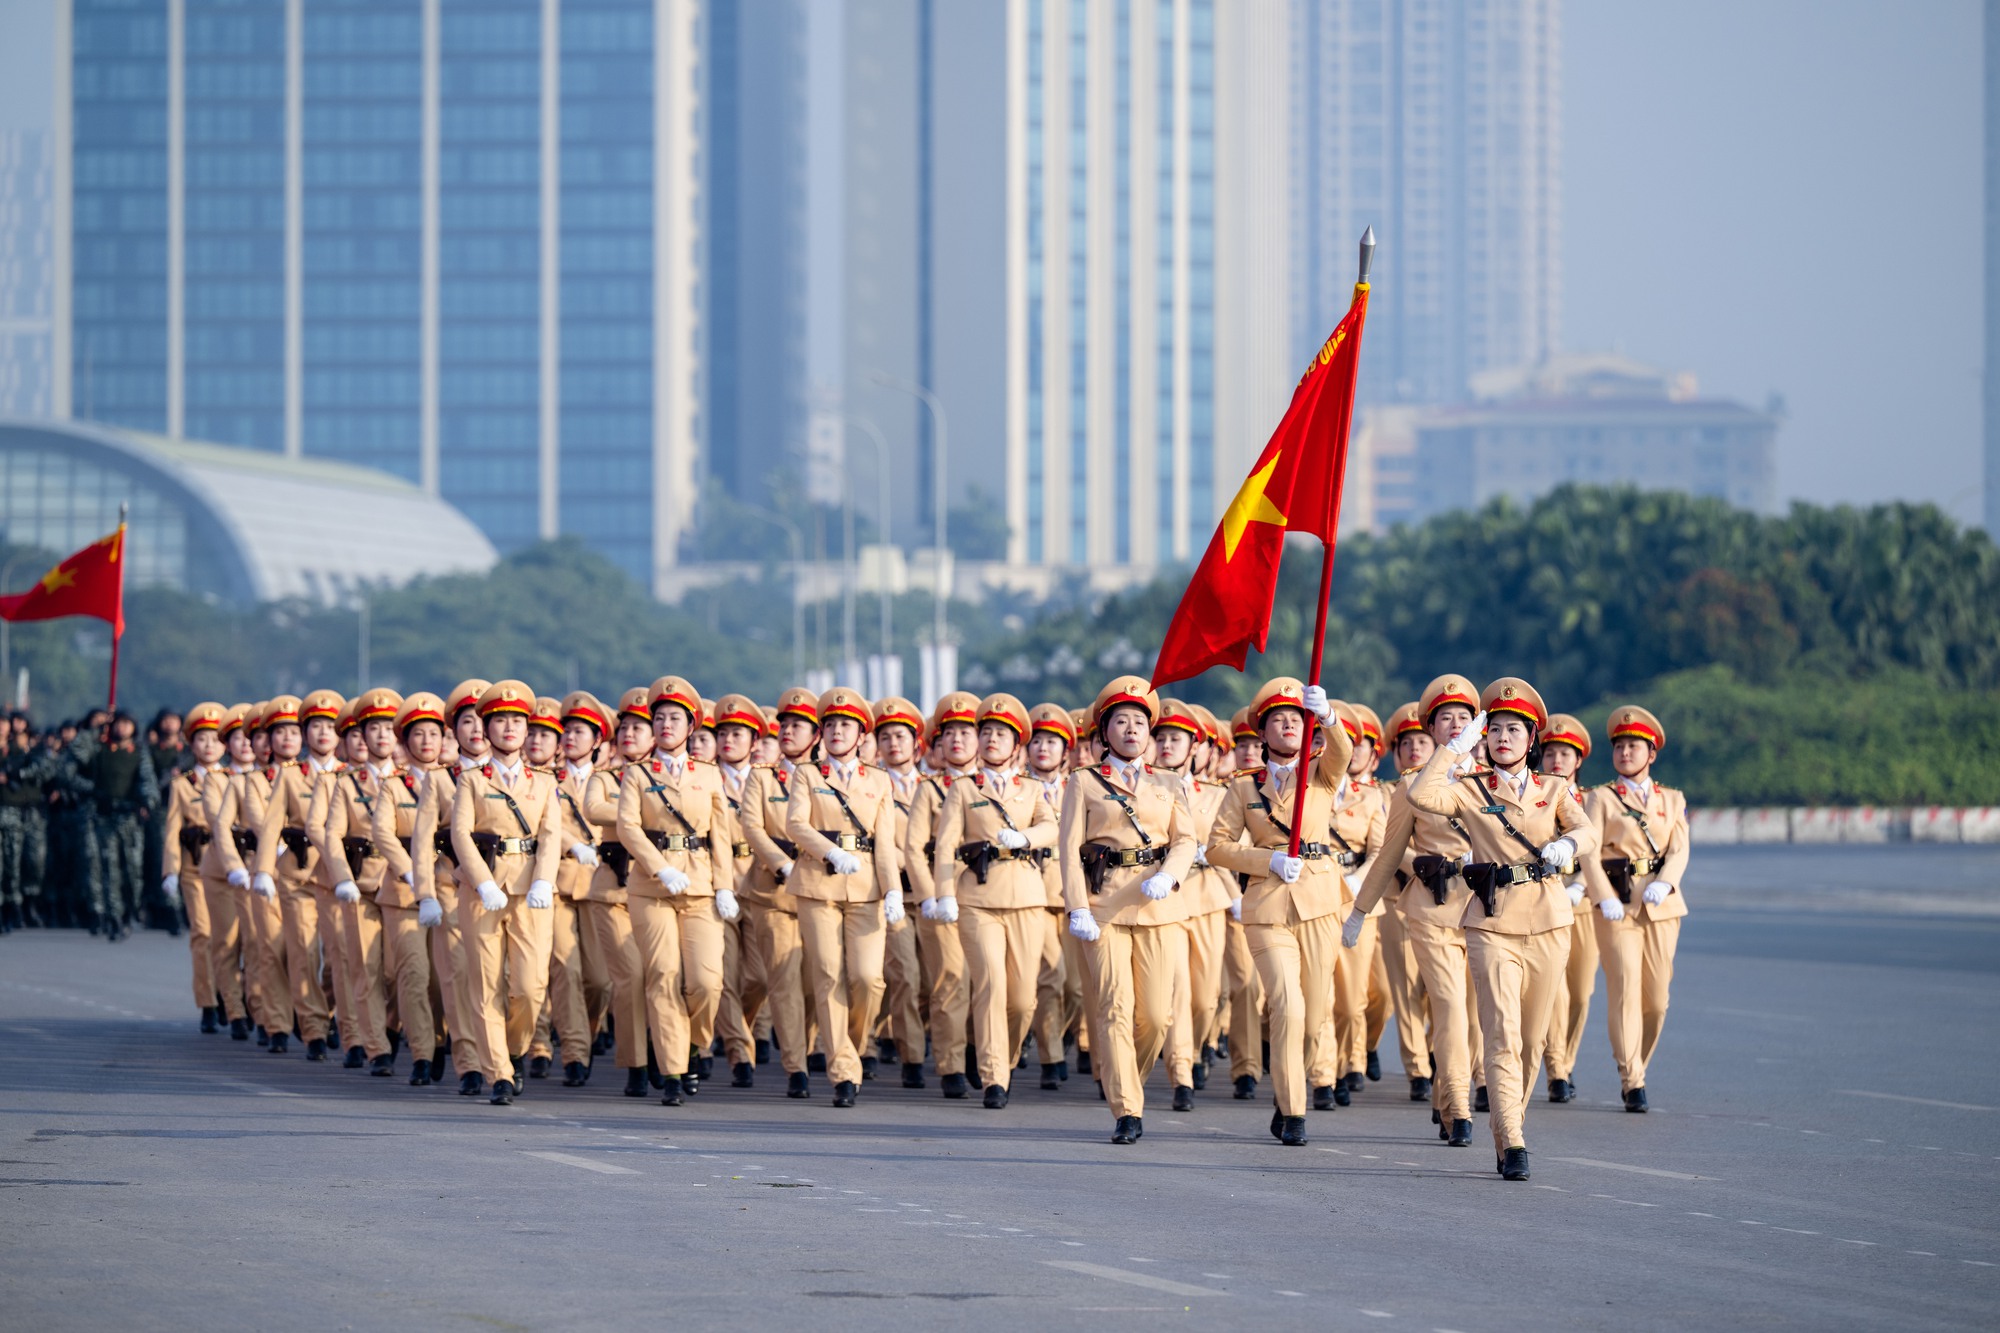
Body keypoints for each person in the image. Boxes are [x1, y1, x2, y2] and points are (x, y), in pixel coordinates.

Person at [1385, 677, 1594, 1181]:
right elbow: (1423, 793)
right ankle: (1513, 1138)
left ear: (1532, 740)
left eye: (1515, 729)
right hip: (1492, 922)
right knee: (1501, 1033)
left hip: (1547, 920)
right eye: (1495, 728)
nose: (1504, 737)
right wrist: (1451, 749)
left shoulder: (1555, 788)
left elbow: (1586, 830)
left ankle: (1511, 1120)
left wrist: (1570, 846)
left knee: (1534, 1038)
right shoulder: (1470, 790)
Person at [1207, 678, 1355, 1147]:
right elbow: (1218, 847)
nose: (1288, 724)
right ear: (1263, 732)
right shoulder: (1243, 787)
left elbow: (1344, 753)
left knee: (1313, 1017)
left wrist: (1328, 717)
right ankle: (1293, 1109)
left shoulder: (1321, 772)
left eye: (1296, 718)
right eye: (1278, 719)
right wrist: (1265, 859)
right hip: (1269, 904)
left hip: (1318, 901)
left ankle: (1288, 1082)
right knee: (1286, 1007)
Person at [1058, 676, 1198, 1145]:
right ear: (1104, 733)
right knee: (1115, 1006)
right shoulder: (1084, 782)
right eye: (1122, 721)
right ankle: (1127, 1109)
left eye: (1140, 721)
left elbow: (1186, 840)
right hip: (1104, 907)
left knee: (1156, 1015)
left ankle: (1125, 1078)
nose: (1132, 729)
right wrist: (1077, 906)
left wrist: (1170, 874)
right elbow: (1068, 849)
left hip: (1157, 904)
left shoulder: (1170, 782)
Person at [1352, 675, 1486, 1146]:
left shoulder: (1492, 779)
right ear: (1431, 729)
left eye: (1463, 718)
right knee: (1448, 1007)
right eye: (1444, 719)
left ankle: (1445, 1095)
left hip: (1486, 908)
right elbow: (1389, 854)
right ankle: (1462, 1110)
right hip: (1432, 906)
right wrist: (1360, 909)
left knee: (1473, 1014)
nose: (1454, 726)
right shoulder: (1411, 785)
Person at [928, 692, 1054, 1109]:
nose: (991, 739)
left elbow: (1052, 827)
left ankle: (1009, 1056)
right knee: (990, 986)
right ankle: (993, 1076)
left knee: (1021, 999)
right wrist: (944, 894)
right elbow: (945, 844)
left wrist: (1026, 838)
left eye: (1001, 733)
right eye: (986, 732)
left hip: (1026, 895)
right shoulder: (964, 789)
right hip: (977, 897)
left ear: (1017, 745)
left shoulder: (1033, 789)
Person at [616, 675, 734, 1106]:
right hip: (652, 887)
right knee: (663, 974)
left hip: (701, 885)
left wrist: (725, 886)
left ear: (691, 727)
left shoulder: (708, 775)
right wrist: (660, 868)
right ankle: (671, 1071)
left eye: (675, 718)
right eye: (659, 717)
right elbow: (627, 826)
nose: (666, 725)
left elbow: (721, 833)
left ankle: (692, 1044)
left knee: (706, 981)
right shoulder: (637, 774)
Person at [786, 685, 903, 1108]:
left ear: (861, 735)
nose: (837, 731)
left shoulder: (878, 779)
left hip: (867, 886)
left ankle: (852, 1044)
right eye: (831, 724)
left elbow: (886, 842)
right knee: (828, 973)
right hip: (819, 882)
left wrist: (893, 890)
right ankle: (842, 1069)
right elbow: (795, 823)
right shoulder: (807, 774)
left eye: (846, 725)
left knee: (868, 979)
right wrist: (830, 850)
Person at [451, 680, 564, 1106]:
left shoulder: (543, 780)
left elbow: (551, 834)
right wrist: (480, 880)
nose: (510, 728)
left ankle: (513, 1049)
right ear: (487, 728)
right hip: (484, 890)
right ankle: (498, 1071)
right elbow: (459, 833)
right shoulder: (471, 780)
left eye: (518, 721)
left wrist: (543, 880)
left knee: (530, 987)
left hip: (529, 888)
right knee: (484, 984)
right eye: (500, 720)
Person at [1580, 705, 1689, 1114]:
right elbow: (1588, 851)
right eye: (1620, 746)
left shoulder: (1672, 800)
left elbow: (1679, 849)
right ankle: (1632, 1078)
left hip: (1662, 905)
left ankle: (1638, 1061)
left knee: (1657, 999)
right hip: (1617, 905)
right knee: (1624, 988)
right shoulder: (1601, 799)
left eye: (1634, 746)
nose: (1625, 752)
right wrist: (1602, 894)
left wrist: (1665, 882)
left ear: (1652, 754)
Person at [1153, 698, 1231, 1111]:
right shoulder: (1143, 788)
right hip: (1162, 899)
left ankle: (1197, 1048)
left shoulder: (1217, 795)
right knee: (1177, 990)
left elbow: (1231, 842)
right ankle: (1180, 1071)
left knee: (1205, 997)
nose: (1167, 745)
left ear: (1196, 747)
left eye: (1176, 738)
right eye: (1160, 737)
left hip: (1206, 896)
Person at [740, 688, 819, 1096]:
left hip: (821, 893)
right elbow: (752, 826)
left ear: (816, 735)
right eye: (784, 725)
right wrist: (781, 862)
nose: (787, 731)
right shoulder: (763, 776)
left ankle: (808, 1045)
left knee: (814, 980)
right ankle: (796, 1066)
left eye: (798, 726)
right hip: (773, 891)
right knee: (783, 981)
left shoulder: (829, 778)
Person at [320, 690, 403, 1074]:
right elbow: (331, 832)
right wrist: (341, 877)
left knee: (400, 969)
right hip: (361, 882)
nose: (382, 735)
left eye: (388, 727)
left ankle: (392, 1026)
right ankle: (373, 1046)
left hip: (401, 883)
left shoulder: (413, 782)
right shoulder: (346, 783)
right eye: (374, 728)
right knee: (364, 967)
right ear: (362, 736)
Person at [1309, 703, 1387, 1111]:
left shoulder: (1371, 797)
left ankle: (1343, 1064)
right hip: (1315, 896)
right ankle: (1323, 1076)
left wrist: (1360, 882)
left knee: (1351, 1000)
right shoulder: (1303, 789)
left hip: (1357, 902)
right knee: (1319, 995)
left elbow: (1379, 851)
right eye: (1318, 740)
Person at [903, 690, 981, 1099]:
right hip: (941, 896)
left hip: (985, 893)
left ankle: (975, 1049)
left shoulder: (991, 786)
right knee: (951, 979)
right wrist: (929, 894)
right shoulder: (929, 790)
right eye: (948, 733)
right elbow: (914, 847)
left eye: (966, 732)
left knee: (987, 980)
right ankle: (950, 1062)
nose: (957, 740)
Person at [580, 687, 657, 1098]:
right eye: (624, 727)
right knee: (629, 978)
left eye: (639, 727)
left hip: (661, 892)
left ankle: (669, 1053)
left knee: (665, 976)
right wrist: (644, 812)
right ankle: (636, 1062)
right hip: (612, 890)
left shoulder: (674, 779)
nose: (629, 734)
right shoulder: (604, 778)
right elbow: (593, 809)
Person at [371, 691, 450, 1086]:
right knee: (413, 975)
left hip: (449, 890)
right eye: (417, 734)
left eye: (433, 733)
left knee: (442, 977)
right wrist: (409, 873)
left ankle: (439, 1041)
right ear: (405, 742)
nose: (426, 742)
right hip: (404, 895)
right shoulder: (393, 785)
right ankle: (421, 1053)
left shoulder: (457, 781)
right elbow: (383, 833)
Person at [1534, 713, 1595, 1104]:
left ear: (1578, 761)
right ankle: (1556, 1069)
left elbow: (1600, 851)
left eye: (1565, 754)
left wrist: (1583, 887)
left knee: (1580, 993)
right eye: (1551, 752)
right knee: (1553, 991)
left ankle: (1566, 1061)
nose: (1557, 760)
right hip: (1543, 901)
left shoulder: (1592, 801)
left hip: (1583, 904)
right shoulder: (1536, 797)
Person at [1375, 701, 1434, 1102]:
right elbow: (1385, 845)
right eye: (1406, 743)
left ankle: (1436, 1051)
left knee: (1438, 988)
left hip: (1445, 901)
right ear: (1395, 753)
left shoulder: (1453, 787)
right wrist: (1423, 861)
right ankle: (1417, 1067)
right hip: (1398, 898)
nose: (1415, 749)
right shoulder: (1384, 794)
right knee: (1404, 988)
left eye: (1423, 741)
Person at [870, 696, 929, 1088]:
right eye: (886, 736)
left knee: (931, 978)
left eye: (901, 736)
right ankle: (910, 1055)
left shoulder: (935, 787)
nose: (894, 744)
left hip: (930, 894)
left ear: (916, 744)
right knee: (903, 974)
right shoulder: (869, 785)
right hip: (890, 894)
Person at [712, 692, 770, 1087]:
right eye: (724, 733)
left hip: (760, 885)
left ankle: (737, 1027)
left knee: (761, 978)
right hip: (718, 884)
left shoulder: (771, 779)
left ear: (754, 741)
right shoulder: (703, 778)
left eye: (739, 734)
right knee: (722, 976)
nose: (729, 740)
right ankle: (738, 1051)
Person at [160, 702, 226, 1029]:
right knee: (203, 933)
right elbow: (172, 828)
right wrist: (170, 870)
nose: (209, 745)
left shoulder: (236, 780)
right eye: (202, 739)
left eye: (216, 738)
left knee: (234, 937)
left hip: (230, 869)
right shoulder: (182, 784)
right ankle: (208, 1003)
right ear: (191, 744)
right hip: (195, 867)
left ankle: (232, 994)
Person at [1024, 701, 1077, 1091]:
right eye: (1037, 741)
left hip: (1073, 890)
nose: (1043, 748)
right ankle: (1051, 1054)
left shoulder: (1081, 784)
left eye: (1052, 742)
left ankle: (1057, 1033)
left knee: (1076, 985)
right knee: (1050, 978)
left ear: (1065, 751)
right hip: (1033, 891)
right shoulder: (1019, 789)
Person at [84, 711, 160, 939]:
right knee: (110, 868)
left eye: (127, 724)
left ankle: (130, 910)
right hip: (105, 817)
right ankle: (114, 916)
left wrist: (147, 801)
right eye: (118, 724)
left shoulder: (138, 752)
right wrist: (97, 730)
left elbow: (148, 782)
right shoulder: (99, 750)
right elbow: (71, 764)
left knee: (133, 871)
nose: (122, 729)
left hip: (129, 818)